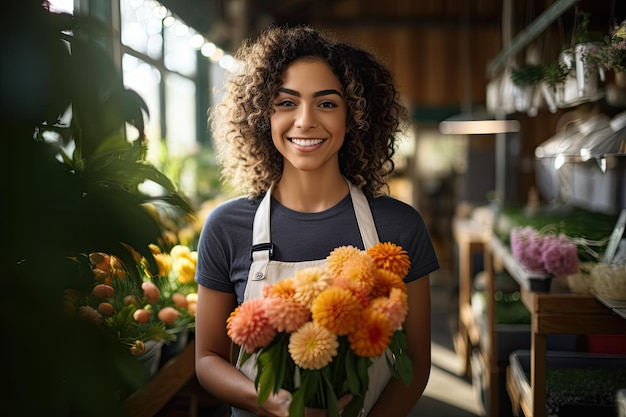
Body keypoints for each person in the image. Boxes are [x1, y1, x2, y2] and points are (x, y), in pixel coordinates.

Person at [194, 25, 439, 417]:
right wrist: (269, 403)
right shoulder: (226, 227)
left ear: (355, 115)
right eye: (286, 103)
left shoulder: (400, 226)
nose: (305, 121)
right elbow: (207, 358)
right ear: (262, 115)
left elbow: (416, 362)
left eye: (326, 103)